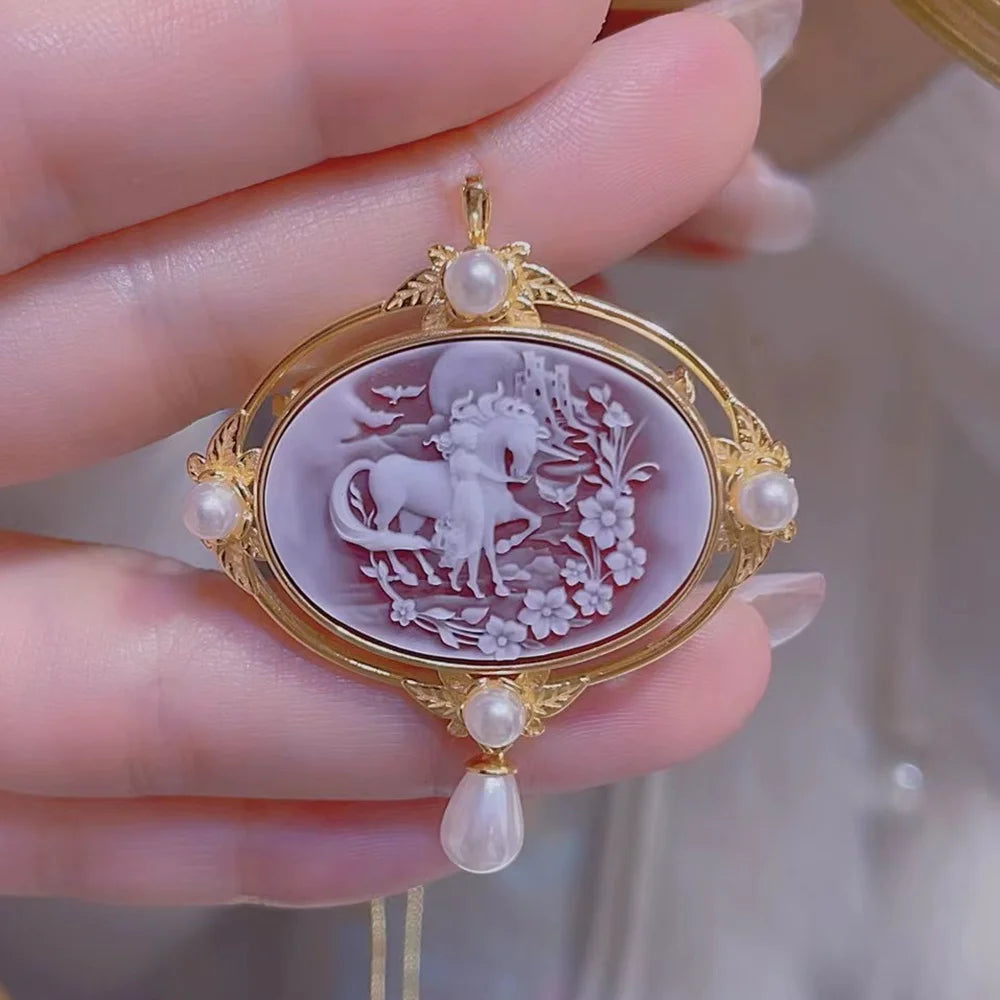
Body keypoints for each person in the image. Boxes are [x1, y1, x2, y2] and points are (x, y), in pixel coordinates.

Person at [0, 0, 815, 908]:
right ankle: (457, 564)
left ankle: (470, 570)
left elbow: (515, 449)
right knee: (469, 506)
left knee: (494, 507)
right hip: (446, 470)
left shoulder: (498, 409)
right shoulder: (460, 420)